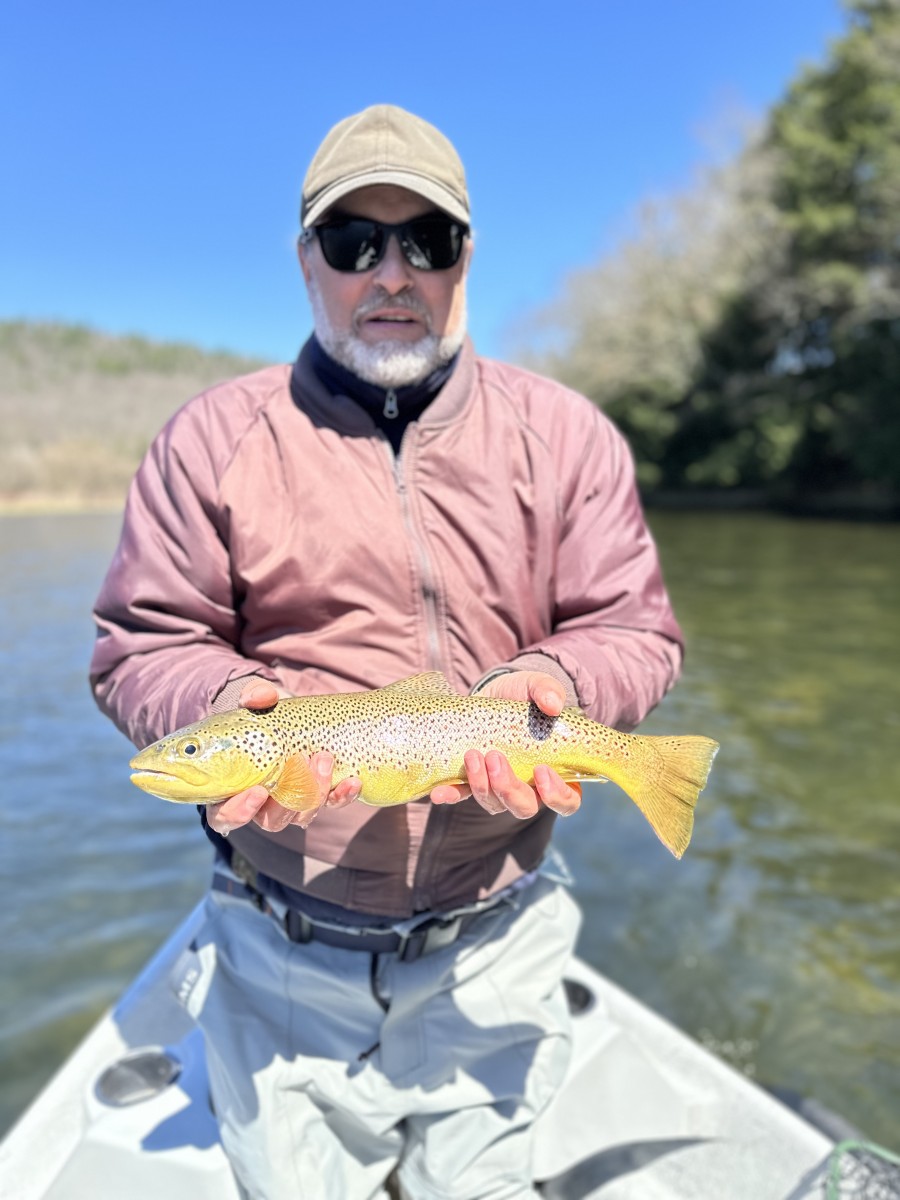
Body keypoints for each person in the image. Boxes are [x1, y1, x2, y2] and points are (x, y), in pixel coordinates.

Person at [90, 104, 684, 1200]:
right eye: (355, 242)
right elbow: (141, 646)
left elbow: (632, 629)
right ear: (305, 262)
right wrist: (226, 698)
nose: (393, 272)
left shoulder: (569, 436)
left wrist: (561, 685)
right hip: (278, 952)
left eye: (429, 240)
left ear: (469, 257)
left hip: (499, 943)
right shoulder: (210, 441)